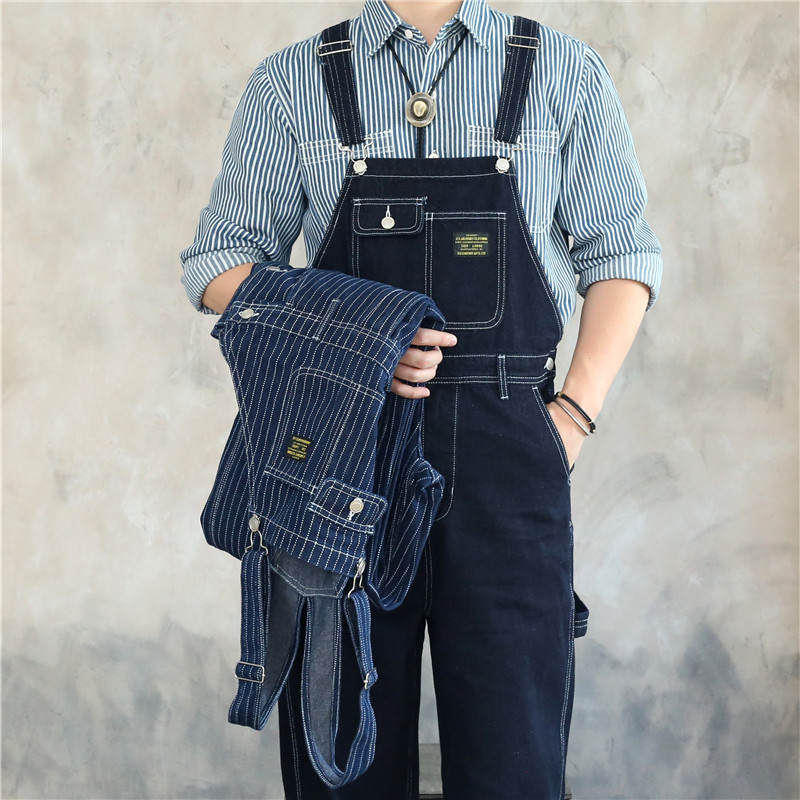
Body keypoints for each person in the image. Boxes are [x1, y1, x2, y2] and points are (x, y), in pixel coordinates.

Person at [180, 0, 663, 797]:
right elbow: (218, 264)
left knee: (516, 765)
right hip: (342, 453)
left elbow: (623, 255)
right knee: (343, 763)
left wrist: (571, 418)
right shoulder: (292, 83)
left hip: (511, 453)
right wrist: (363, 332)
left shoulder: (562, 73)